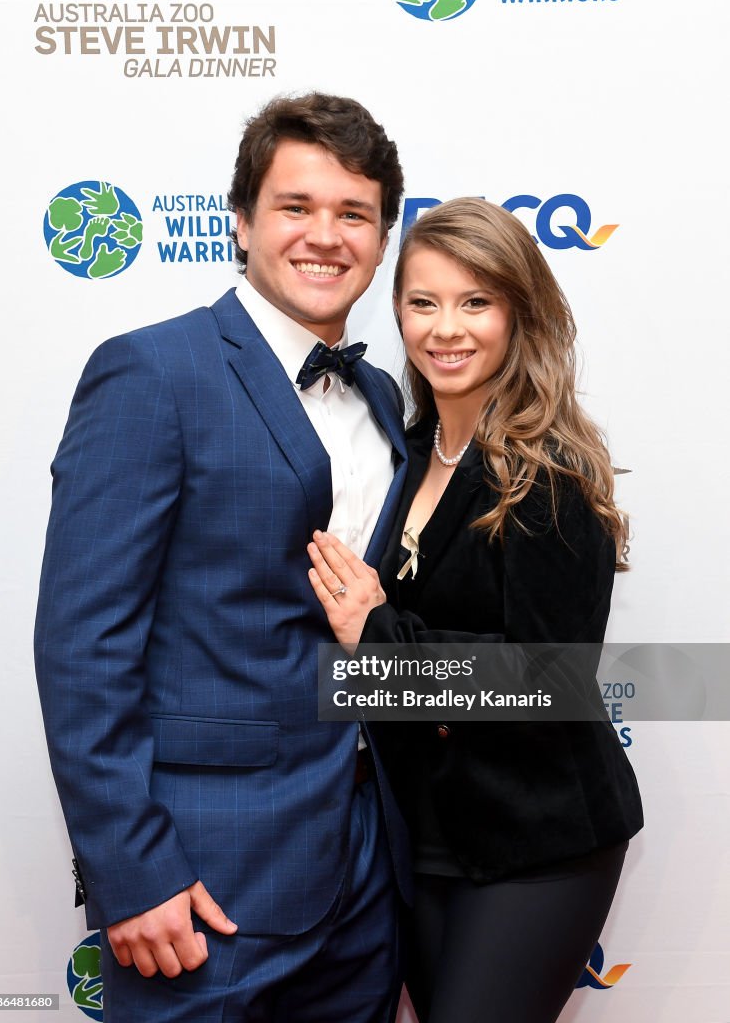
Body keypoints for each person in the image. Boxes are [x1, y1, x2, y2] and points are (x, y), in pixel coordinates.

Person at [34, 92, 413, 1023]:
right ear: (239, 223)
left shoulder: (385, 398)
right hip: (203, 884)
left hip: (370, 872)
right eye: (296, 207)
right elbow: (84, 646)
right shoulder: (153, 373)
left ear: (381, 236)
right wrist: (131, 869)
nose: (325, 237)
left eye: (353, 214)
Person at [307, 197, 644, 1023]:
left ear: (516, 314)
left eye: (475, 302)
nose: (445, 329)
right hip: (424, 835)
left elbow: (545, 681)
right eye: (422, 303)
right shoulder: (406, 453)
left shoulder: (548, 472)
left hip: (539, 839)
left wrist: (376, 633)